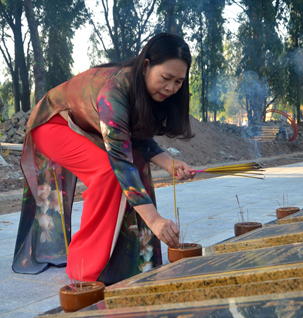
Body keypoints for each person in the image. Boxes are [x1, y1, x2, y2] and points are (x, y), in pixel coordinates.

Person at [12, 33, 196, 285]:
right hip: (52, 124)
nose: (171, 88)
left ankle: (135, 259)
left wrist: (170, 163)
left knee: (137, 166)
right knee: (108, 172)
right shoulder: (114, 91)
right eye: (166, 78)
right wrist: (154, 220)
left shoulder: (143, 91)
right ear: (145, 66)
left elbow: (135, 136)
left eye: (178, 81)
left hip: (83, 126)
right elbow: (120, 158)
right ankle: (84, 268)